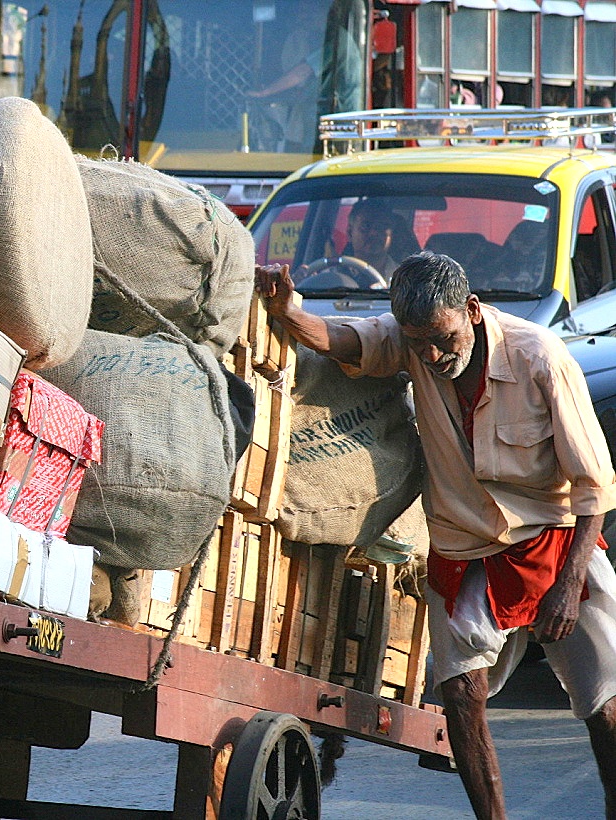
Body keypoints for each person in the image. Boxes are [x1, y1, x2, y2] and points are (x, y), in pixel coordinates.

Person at [255, 252, 616, 818]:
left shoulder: (539, 356)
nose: (430, 354)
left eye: (442, 338)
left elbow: (595, 485)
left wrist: (569, 586)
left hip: (555, 539)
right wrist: (286, 312)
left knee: (605, 707)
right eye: (417, 341)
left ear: (471, 311)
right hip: (466, 546)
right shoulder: (411, 343)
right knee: (461, 695)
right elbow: (342, 341)